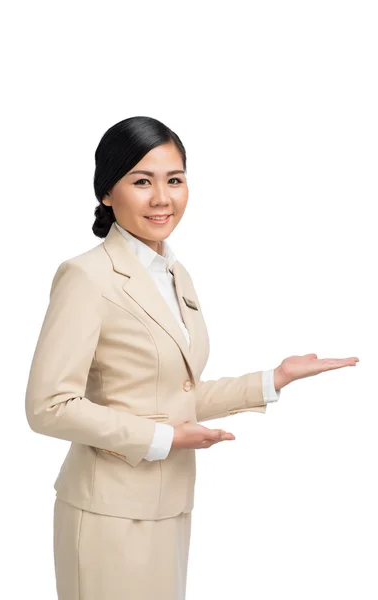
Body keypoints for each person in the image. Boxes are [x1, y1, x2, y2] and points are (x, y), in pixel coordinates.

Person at [24, 115, 359, 600]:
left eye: (174, 180)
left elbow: (174, 391)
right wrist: (164, 438)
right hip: (108, 515)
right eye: (142, 181)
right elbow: (48, 406)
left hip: (172, 505)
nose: (163, 197)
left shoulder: (175, 274)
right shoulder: (86, 277)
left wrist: (274, 379)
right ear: (106, 192)